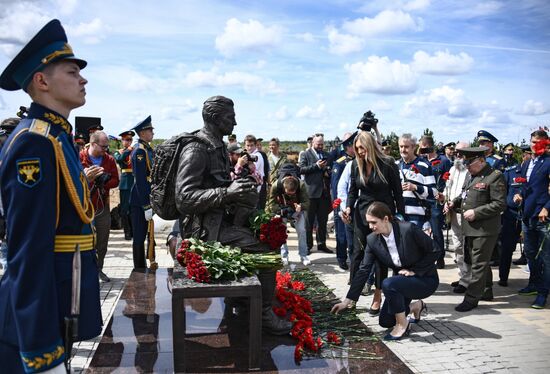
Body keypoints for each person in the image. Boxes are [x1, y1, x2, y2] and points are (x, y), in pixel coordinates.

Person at [0, 19, 102, 372]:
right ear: (41, 81)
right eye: (72, 71)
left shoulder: (57, 138)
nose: (83, 79)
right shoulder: (35, 142)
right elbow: (27, 250)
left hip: (61, 297)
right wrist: (41, 352)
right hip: (38, 315)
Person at [174, 95, 291, 335]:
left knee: (266, 236)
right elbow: (183, 198)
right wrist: (227, 193)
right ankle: (264, 314)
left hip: (220, 222)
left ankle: (240, 300)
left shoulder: (216, 146)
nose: (235, 123)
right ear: (216, 119)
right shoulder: (197, 149)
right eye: (231, 118)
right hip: (204, 231)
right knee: (267, 250)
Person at [332, 202, 440, 340]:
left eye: (373, 222)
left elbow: (435, 250)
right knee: (386, 322)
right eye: (368, 222)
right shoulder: (372, 240)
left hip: (424, 279)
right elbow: (364, 270)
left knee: (387, 283)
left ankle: (402, 325)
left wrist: (415, 271)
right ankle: (416, 306)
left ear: (386, 219)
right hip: (401, 284)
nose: (370, 226)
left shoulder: (408, 229)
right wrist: (346, 301)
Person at [342, 131, 405, 315]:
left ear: (370, 145)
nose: (359, 152)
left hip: (383, 215)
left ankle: (378, 295)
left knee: (380, 257)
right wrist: (347, 207)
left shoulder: (388, 164)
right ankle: (352, 296)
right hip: (361, 215)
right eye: (357, 149)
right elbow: (352, 191)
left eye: (362, 148)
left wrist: (401, 215)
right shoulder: (355, 164)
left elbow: (397, 192)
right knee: (357, 253)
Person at [445, 147, 506, 312]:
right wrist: (454, 203)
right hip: (471, 228)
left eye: (469, 163)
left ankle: (471, 298)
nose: (467, 166)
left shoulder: (494, 176)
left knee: (478, 264)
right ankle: (486, 291)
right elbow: (465, 195)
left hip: (484, 229)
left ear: (481, 160)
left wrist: (476, 212)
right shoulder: (471, 176)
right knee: (479, 262)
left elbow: (499, 204)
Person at [514, 130, 550, 309]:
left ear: (546, 143)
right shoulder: (528, 162)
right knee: (530, 252)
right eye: (533, 141)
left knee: (545, 257)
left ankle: (543, 293)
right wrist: (520, 194)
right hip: (527, 214)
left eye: (539, 142)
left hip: (543, 216)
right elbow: (525, 185)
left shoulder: (548, 162)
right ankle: (534, 284)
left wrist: (547, 207)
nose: (535, 145)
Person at [80, 130, 119, 282]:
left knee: (102, 241)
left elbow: (116, 180)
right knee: (86, 242)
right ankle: (86, 272)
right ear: (93, 144)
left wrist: (104, 182)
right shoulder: (79, 158)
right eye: (103, 146)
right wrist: (88, 179)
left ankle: (99, 270)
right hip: (84, 208)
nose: (106, 149)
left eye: (107, 147)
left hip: (102, 207)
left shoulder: (108, 160)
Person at [418, 135, 452, 269]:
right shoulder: (420, 160)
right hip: (422, 201)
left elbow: (449, 180)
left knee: (437, 231)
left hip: (436, 202)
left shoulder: (443, 161)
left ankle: (440, 257)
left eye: (422, 148)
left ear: (427, 146)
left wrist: (444, 195)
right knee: (421, 231)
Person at [266, 165, 310, 266]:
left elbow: (307, 202)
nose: (290, 195)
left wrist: (301, 206)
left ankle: (303, 255)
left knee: (302, 231)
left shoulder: (301, 185)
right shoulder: (276, 185)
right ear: (284, 188)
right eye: (288, 193)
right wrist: (280, 211)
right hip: (282, 208)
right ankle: (284, 255)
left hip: (297, 209)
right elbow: (271, 203)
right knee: (281, 232)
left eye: (293, 193)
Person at [444, 141, 471, 294]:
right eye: (456, 152)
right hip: (453, 213)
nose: (458, 155)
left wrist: (453, 202)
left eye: (461, 152)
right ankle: (463, 276)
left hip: (465, 213)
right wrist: (444, 199)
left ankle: (468, 280)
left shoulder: (470, 170)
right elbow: (448, 186)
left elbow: (465, 193)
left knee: (466, 247)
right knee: (457, 246)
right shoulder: (453, 168)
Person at [299, 134, 333, 254]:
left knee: (322, 221)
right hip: (310, 193)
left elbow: (330, 169)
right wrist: (316, 166)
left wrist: (328, 172)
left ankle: (321, 244)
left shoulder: (326, 155)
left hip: (323, 193)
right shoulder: (305, 154)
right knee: (309, 221)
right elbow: (301, 169)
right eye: (318, 144)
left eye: (322, 144)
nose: (320, 146)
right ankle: (308, 246)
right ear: (313, 143)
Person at [396, 133, 437, 228]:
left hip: (417, 217)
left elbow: (434, 193)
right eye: (401, 146)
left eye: (406, 147)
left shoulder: (425, 166)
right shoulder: (395, 165)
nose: (403, 150)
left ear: (414, 147)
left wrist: (415, 187)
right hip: (398, 216)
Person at [130, 116, 155, 269]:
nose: (153, 132)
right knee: (139, 236)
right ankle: (138, 268)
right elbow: (140, 180)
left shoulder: (146, 149)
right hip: (139, 199)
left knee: (147, 233)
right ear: (142, 132)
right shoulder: (140, 151)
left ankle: (146, 263)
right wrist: (146, 205)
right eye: (150, 130)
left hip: (146, 195)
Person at [331, 132, 356, 270]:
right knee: (341, 233)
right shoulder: (340, 163)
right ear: (348, 147)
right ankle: (341, 257)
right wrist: (341, 206)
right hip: (342, 204)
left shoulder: (357, 161)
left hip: (352, 205)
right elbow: (336, 187)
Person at [113, 130, 135, 240]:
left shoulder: (135, 151)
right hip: (126, 183)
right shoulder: (119, 152)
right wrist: (128, 151)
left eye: (130, 139)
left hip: (135, 182)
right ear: (122, 141)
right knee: (125, 209)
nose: (128, 141)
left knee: (134, 209)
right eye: (126, 139)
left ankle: (134, 231)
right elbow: (119, 159)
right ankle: (127, 232)